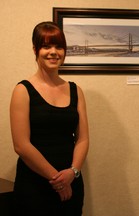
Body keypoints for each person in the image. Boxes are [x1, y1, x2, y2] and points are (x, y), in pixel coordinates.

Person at [10, 21, 89, 215]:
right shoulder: (23, 90)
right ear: (35, 49)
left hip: (71, 181)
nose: (53, 52)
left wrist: (73, 172)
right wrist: (58, 181)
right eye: (46, 46)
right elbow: (21, 145)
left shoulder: (75, 90)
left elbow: (83, 138)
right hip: (35, 185)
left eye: (59, 46)